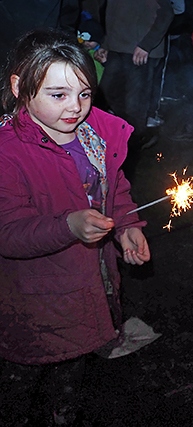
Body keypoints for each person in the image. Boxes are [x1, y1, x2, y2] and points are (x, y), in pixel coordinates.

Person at [0, 29, 151, 425]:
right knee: (19, 390)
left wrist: (126, 225)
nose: (75, 108)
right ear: (20, 86)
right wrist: (68, 225)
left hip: (88, 288)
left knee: (71, 383)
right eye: (58, 95)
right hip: (34, 301)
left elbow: (113, 186)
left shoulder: (96, 136)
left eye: (84, 94)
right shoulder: (7, 152)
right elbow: (8, 232)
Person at [96, 0, 174, 145]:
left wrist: (146, 45)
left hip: (140, 52)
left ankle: (133, 143)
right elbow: (115, 15)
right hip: (117, 47)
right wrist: (106, 43)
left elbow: (166, 13)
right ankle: (127, 133)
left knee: (135, 102)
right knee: (107, 91)